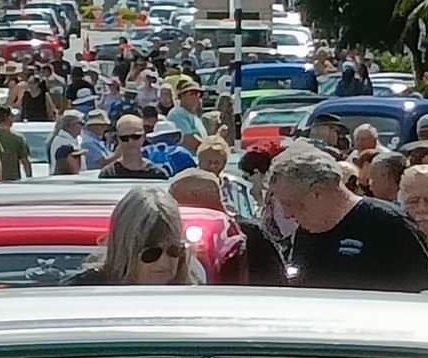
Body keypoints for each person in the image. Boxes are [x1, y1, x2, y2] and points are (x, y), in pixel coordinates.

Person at [269, 142, 428, 291]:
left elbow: (427, 294)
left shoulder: (390, 226)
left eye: (290, 204)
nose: (287, 214)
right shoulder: (305, 234)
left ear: (317, 193)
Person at [169, 169, 287, 285]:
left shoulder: (249, 234)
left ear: (194, 195)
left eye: (172, 194)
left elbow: (273, 279)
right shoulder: (249, 233)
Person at [66, 187, 196, 286]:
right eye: (151, 253)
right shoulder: (81, 294)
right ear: (125, 249)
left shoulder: (193, 301)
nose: (164, 262)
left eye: (174, 251)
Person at [99, 113, 170, 180]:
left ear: (143, 137)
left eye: (136, 136)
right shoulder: (108, 174)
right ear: (118, 139)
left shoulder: (158, 174)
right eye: (124, 138)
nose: (130, 141)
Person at [0, 107, 32, 181]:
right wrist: (29, 179)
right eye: (11, 116)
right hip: (13, 182)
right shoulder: (17, 138)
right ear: (8, 117)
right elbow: (25, 161)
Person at [168, 76, 208, 145]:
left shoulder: (195, 117)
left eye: (199, 94)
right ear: (181, 96)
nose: (196, 97)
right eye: (193, 93)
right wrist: (211, 149)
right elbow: (189, 141)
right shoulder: (177, 114)